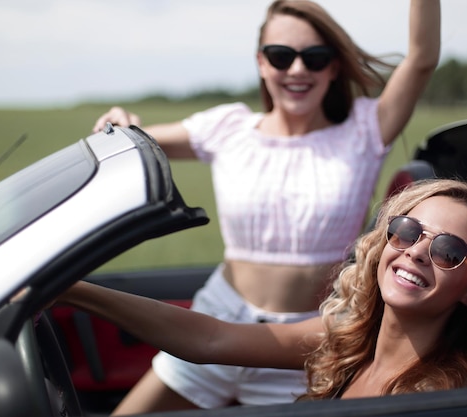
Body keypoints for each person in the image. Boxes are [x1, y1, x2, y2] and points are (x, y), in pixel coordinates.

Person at [91, 0, 441, 413]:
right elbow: (129, 141)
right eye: (281, 56)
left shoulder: (366, 129)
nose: (297, 70)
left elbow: (421, 58)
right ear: (261, 63)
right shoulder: (228, 127)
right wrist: (117, 122)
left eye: (314, 58)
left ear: (332, 67)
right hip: (214, 320)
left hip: (305, 346)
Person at [55, 178, 467, 405]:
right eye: (407, 231)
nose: (419, 252)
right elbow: (209, 340)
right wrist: (72, 289)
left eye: (449, 250)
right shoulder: (347, 340)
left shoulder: (443, 395)